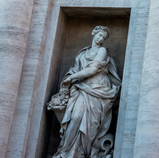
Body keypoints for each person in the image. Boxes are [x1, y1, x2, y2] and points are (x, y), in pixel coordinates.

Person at [50, 26, 121, 158]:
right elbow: (75, 69)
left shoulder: (102, 51)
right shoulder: (83, 53)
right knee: (75, 117)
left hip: (98, 89)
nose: (100, 39)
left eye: (103, 37)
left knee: (91, 124)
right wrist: (69, 79)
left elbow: (93, 70)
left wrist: (71, 78)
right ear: (93, 33)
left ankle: (82, 153)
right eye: (99, 35)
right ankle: (67, 152)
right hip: (81, 88)